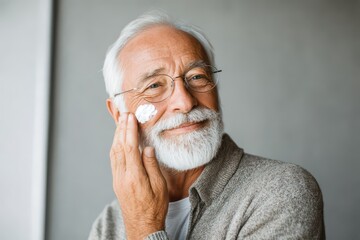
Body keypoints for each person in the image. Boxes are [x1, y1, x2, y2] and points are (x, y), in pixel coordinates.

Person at [89, 11, 325, 240]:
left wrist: (144, 228)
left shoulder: (280, 190)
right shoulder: (109, 223)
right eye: (154, 86)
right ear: (119, 113)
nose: (185, 102)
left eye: (197, 77)